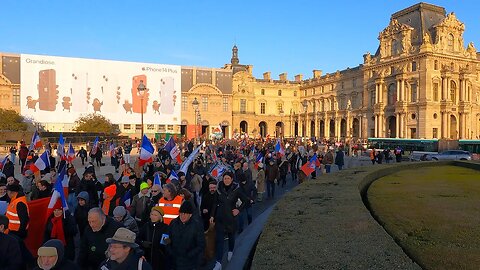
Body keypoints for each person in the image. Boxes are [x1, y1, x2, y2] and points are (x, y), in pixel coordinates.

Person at [210, 171, 249, 270]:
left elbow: (246, 200)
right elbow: (214, 203)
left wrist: (238, 210)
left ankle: (230, 251)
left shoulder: (237, 189)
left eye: (228, 178)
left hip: (231, 218)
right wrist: (212, 216)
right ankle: (218, 262)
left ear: (232, 179)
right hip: (220, 218)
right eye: (225, 178)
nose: (226, 180)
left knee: (231, 237)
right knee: (219, 241)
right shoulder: (219, 189)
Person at [168, 201, 205, 270]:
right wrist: (170, 251)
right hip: (174, 261)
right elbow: (166, 238)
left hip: (189, 263)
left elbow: (201, 244)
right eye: (181, 213)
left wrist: (190, 254)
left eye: (185, 214)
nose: (182, 216)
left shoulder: (196, 226)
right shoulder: (173, 223)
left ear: (190, 215)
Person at [138, 206, 169, 270]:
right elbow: (137, 239)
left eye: (155, 215)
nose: (153, 217)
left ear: (160, 217)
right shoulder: (146, 226)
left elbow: (165, 244)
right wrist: (143, 243)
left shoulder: (165, 228)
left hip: (159, 260)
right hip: (146, 258)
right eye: (152, 214)